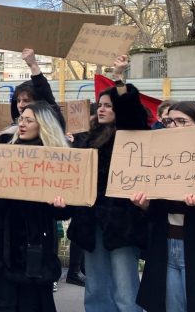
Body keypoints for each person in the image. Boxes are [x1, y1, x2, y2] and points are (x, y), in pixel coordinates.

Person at [67, 55, 148, 312]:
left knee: (125, 291)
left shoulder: (128, 135)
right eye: (99, 105)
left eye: (108, 105)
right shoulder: (87, 139)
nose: (101, 109)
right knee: (96, 289)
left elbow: (131, 111)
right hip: (91, 223)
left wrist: (119, 78)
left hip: (122, 224)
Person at [0, 102, 71, 312]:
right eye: (21, 119)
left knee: (30, 304)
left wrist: (60, 206)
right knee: (0, 302)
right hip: (0, 246)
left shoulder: (57, 158)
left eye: (28, 120)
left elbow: (62, 210)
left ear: (43, 125)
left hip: (33, 247)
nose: (22, 124)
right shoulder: (5, 151)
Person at [131, 101, 195, 312]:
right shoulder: (159, 159)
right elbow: (155, 213)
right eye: (169, 121)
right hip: (165, 245)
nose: (173, 126)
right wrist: (145, 206)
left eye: (181, 121)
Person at [0, 49, 65, 143]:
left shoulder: (53, 131)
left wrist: (33, 65)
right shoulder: (9, 136)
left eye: (26, 100)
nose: (20, 105)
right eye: (18, 101)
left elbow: (46, 94)